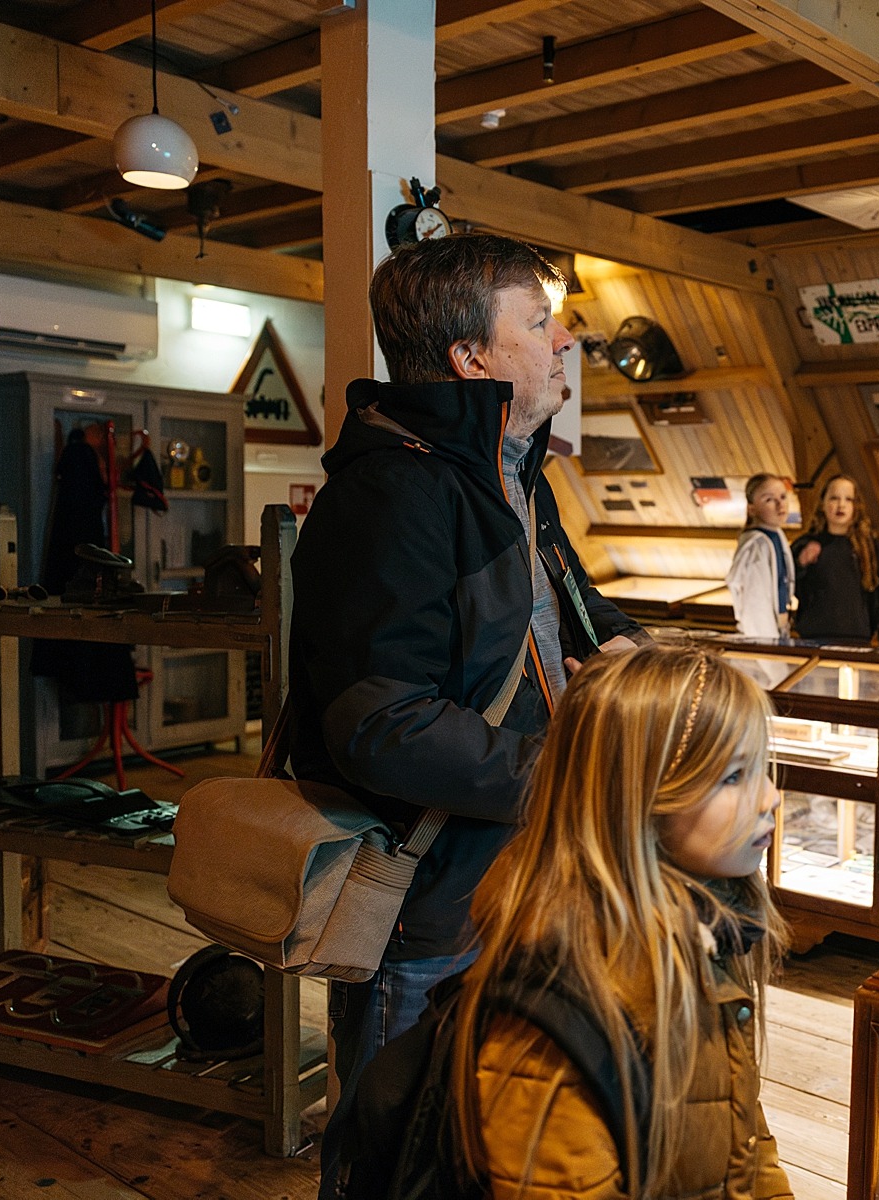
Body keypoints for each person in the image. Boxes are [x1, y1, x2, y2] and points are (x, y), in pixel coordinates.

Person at [288, 234, 646, 1198]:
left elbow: (573, 614)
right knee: (392, 1148)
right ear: (470, 360)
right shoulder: (391, 493)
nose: (566, 337)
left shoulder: (511, 475)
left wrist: (641, 667)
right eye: (538, 320)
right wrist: (562, 775)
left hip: (525, 879)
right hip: (429, 897)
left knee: (495, 1139)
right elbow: (379, 724)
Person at [444, 644, 791, 1198]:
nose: (771, 797)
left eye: (762, 769)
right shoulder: (558, 1010)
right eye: (732, 777)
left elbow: (741, 1137)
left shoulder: (702, 934)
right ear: (637, 797)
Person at [791, 474, 879, 645]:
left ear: (856, 506)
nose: (841, 505)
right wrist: (800, 564)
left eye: (848, 499)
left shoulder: (869, 546)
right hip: (813, 639)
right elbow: (787, 587)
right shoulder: (805, 544)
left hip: (856, 639)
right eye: (834, 498)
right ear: (823, 504)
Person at [726, 473, 796, 639]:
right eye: (769, 500)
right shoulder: (757, 546)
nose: (780, 504)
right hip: (762, 634)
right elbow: (755, 604)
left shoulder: (776, 535)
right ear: (752, 509)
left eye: (783, 497)